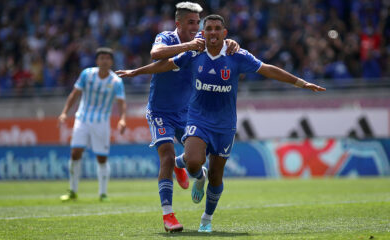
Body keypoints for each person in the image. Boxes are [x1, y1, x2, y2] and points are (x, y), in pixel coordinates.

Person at [116, 14, 326, 232]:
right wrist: (136, 71)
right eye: (209, 29)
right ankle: (186, 165)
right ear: (203, 33)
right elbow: (165, 65)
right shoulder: (194, 53)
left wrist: (301, 83)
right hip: (198, 119)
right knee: (195, 162)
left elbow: (267, 69)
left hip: (225, 124)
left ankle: (206, 218)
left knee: (216, 175)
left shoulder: (237, 55)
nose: (213, 32)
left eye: (217, 28)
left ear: (225, 33)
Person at [137, 2, 239, 232]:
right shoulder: (167, 37)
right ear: (179, 23)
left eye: (198, 23)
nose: (196, 27)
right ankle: (168, 215)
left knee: (196, 162)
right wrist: (188, 46)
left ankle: (198, 176)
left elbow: (224, 45)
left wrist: (232, 43)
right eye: (191, 22)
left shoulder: (203, 42)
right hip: (160, 111)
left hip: (189, 113)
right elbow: (155, 54)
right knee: (166, 155)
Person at [59, 47, 127, 202]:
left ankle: (103, 193)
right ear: (97, 61)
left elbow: (122, 102)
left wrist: (122, 119)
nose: (104, 61)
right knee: (75, 152)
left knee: (101, 158)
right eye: (101, 58)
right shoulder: (87, 74)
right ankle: (72, 190)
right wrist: (64, 112)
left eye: (107, 58)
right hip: (82, 119)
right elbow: (74, 94)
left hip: (101, 122)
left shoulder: (116, 81)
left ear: (111, 62)